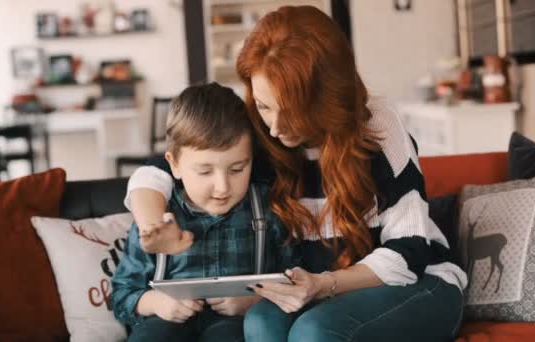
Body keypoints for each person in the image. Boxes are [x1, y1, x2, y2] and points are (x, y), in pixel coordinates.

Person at [126, 5, 468, 342]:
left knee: (315, 331)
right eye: (264, 105)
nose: (275, 128)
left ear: (326, 98)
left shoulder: (376, 127)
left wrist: (324, 284)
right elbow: (166, 166)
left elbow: (409, 253)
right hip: (319, 291)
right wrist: (152, 226)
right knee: (261, 321)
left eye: (292, 112)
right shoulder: (263, 130)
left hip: (419, 283)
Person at [111, 83, 293, 342]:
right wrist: (156, 303)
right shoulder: (159, 216)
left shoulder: (265, 208)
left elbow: (293, 278)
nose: (223, 187)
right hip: (165, 321)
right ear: (173, 165)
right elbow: (121, 294)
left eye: (238, 168)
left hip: (235, 322)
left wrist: (255, 299)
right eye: (205, 172)